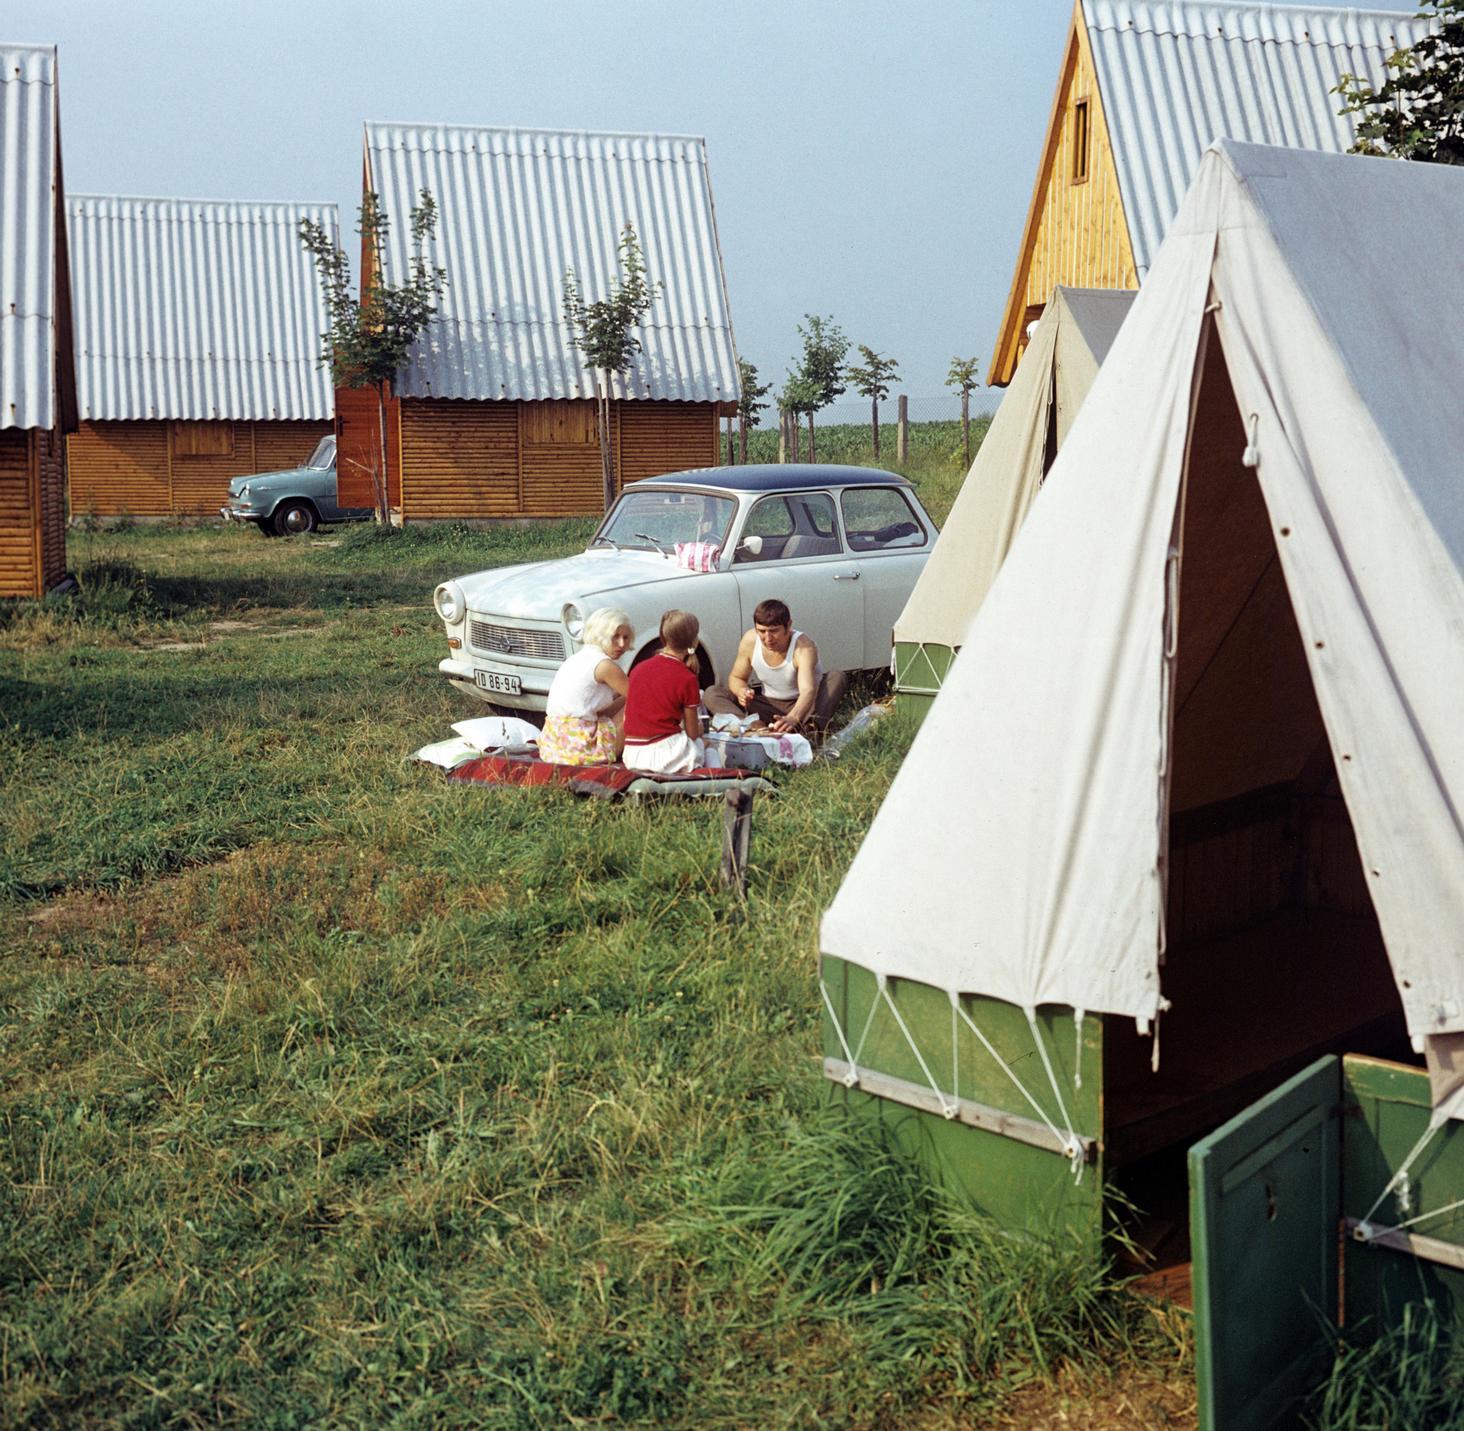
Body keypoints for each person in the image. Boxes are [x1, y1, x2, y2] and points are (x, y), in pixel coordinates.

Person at [703, 598, 848, 735]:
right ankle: (752, 726)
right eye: (761, 631)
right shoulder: (750, 640)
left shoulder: (803, 647)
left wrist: (793, 717)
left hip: (802, 705)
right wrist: (742, 691)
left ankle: (810, 730)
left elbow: (807, 691)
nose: (768, 638)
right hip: (768, 704)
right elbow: (736, 677)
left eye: (774, 631)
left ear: (788, 626)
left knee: (837, 677)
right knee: (711, 693)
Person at [537, 607, 632, 766]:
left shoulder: (577, 658)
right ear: (600, 634)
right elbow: (641, 697)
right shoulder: (604, 665)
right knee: (640, 702)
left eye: (626, 637)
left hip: (553, 745)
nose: (622, 644)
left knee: (628, 699)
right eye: (615, 637)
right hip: (581, 748)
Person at [622, 610, 707, 774]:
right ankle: (718, 780)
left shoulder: (638, 669)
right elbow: (692, 734)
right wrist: (700, 730)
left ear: (663, 637)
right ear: (694, 642)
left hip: (632, 754)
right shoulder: (687, 678)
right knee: (704, 745)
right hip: (663, 754)